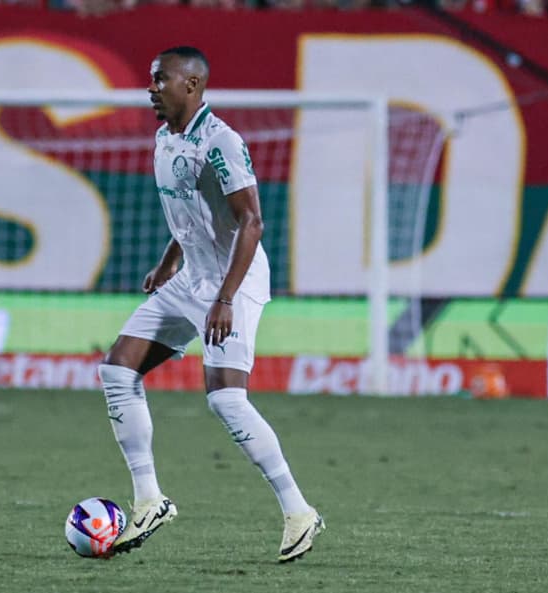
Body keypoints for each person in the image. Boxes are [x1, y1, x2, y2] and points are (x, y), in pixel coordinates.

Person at [99, 46, 323, 562]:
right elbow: (192, 214)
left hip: (233, 283)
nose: (151, 88)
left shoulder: (221, 142)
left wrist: (224, 298)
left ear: (192, 85)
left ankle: (299, 511)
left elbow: (252, 221)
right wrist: (169, 261)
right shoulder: (165, 137)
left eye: (161, 79)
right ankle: (149, 500)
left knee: (226, 399)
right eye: (151, 79)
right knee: (117, 369)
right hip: (192, 278)